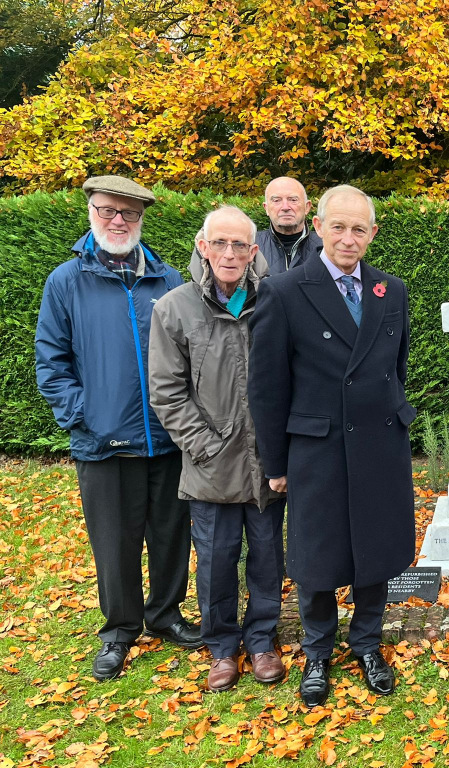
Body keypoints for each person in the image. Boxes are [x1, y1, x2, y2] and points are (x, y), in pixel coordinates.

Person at [247, 184, 416, 707]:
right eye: (338, 226)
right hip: (316, 448)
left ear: (373, 234)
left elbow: (397, 369)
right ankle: (318, 650)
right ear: (318, 226)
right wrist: (276, 462)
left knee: (376, 550)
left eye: (358, 228)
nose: (348, 238)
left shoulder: (392, 291)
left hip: (379, 444)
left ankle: (367, 643)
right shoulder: (284, 290)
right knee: (317, 554)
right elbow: (267, 387)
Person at [35, 175, 202, 681]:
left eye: (128, 214)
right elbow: (51, 363)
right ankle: (119, 629)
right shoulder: (66, 281)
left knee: (172, 536)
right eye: (108, 210)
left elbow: (195, 357)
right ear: (91, 212)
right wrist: (86, 415)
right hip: (103, 444)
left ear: (141, 219)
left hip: (168, 439)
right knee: (114, 543)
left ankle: (166, 614)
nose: (117, 221)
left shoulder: (169, 280)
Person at [149, 206, 286, 692]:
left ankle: (263, 641)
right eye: (220, 243)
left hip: (266, 463)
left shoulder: (274, 300)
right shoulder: (174, 307)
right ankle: (223, 648)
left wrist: (282, 448)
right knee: (215, 562)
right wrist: (203, 446)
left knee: (268, 558)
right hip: (210, 465)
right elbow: (166, 390)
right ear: (203, 247)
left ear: (254, 252)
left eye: (240, 245)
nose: (229, 253)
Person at [255, 177, 323, 274]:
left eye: (293, 200)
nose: (285, 207)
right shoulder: (252, 246)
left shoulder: (325, 246)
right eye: (276, 200)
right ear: (266, 208)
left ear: (307, 207)